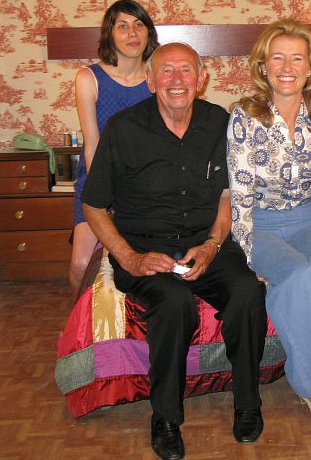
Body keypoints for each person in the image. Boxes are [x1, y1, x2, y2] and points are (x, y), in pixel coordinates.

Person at [82, 43, 267, 460]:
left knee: (247, 292)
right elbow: (93, 205)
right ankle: (165, 418)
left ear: (202, 79)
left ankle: (248, 402)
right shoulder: (123, 128)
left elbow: (227, 195)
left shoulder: (219, 122)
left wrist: (214, 244)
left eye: (187, 70)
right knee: (174, 301)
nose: (177, 80)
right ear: (150, 81)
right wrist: (129, 257)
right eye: (167, 71)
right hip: (145, 247)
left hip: (207, 241)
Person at [227, 19, 311, 460]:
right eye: (278, 58)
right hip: (261, 224)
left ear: (310, 68)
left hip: (307, 218)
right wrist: (246, 256)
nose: (287, 67)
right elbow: (239, 194)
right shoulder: (243, 116)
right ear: (263, 66)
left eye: (297, 59)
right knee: (301, 274)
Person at [69, 0, 159, 295]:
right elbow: (92, 145)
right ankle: (79, 324)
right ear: (110, 33)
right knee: (81, 265)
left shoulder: (157, 78)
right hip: (99, 182)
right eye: (122, 26)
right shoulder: (89, 78)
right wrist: (104, 199)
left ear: (148, 32)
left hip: (147, 186)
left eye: (138, 25)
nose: (132, 33)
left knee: (144, 264)